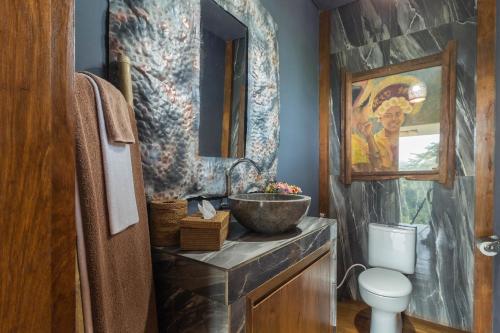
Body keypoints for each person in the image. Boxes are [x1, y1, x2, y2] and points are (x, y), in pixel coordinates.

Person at [369, 76, 425, 171]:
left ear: (404, 115)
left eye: (398, 114)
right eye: (388, 115)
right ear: (380, 118)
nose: (394, 119)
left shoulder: (413, 136)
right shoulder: (373, 142)